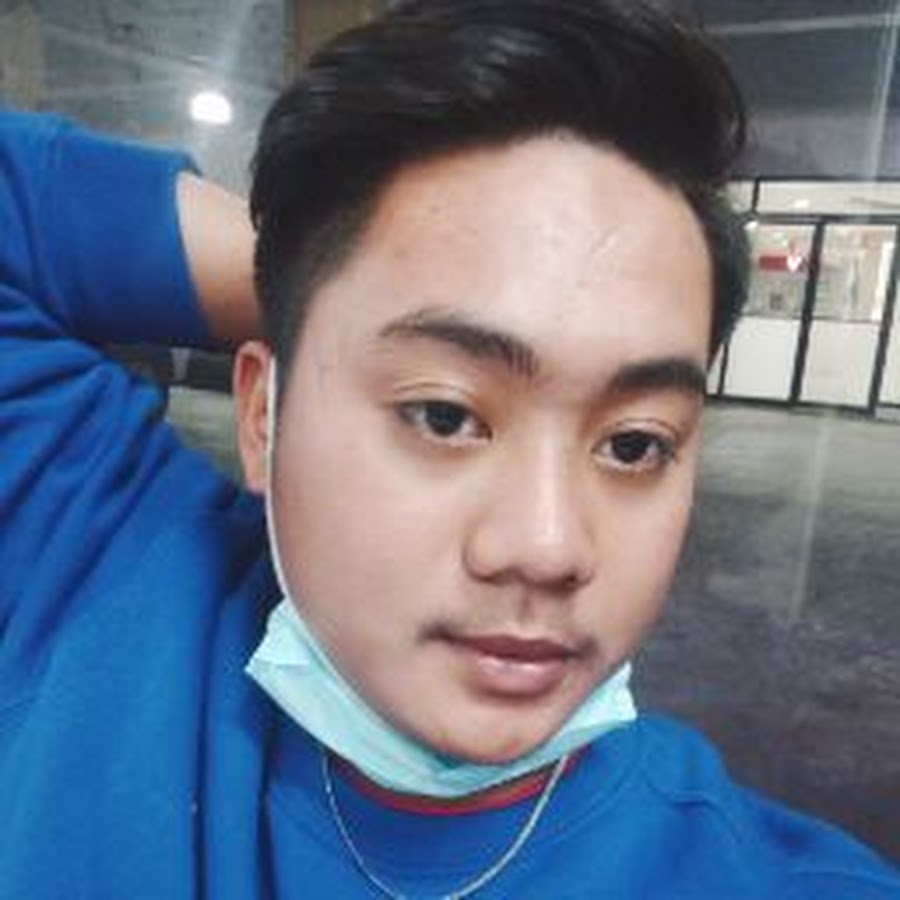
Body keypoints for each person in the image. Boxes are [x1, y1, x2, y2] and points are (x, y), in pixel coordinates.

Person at [0, 1, 898, 897]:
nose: (547, 548)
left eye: (633, 444)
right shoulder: (87, 562)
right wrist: (312, 283)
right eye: (443, 415)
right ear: (264, 415)